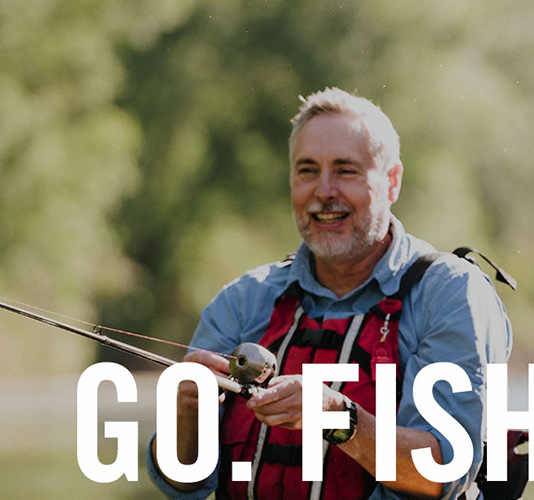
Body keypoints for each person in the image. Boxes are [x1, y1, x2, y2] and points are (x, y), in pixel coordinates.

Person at [145, 87, 512, 500]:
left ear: (391, 182)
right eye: (307, 170)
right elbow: (181, 482)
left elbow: (443, 470)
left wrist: (339, 417)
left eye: (346, 170)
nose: (324, 191)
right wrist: (185, 411)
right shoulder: (242, 299)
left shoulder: (452, 295)